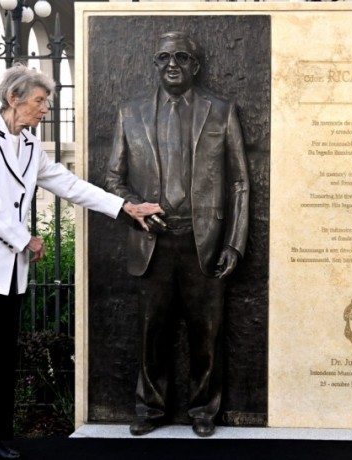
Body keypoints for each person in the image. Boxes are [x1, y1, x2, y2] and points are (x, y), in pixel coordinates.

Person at [0, 64, 162, 460]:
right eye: (40, 100)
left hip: (8, 271)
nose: (45, 108)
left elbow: (68, 183)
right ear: (14, 98)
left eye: (46, 101)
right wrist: (22, 237)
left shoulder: (30, 144)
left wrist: (124, 207)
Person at [105, 31, 250, 438]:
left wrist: (235, 243)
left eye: (182, 57)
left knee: (207, 333)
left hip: (203, 240)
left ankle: (204, 410)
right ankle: (149, 408)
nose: (172, 63)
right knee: (152, 332)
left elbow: (239, 181)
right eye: (164, 56)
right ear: (155, 64)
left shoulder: (221, 112)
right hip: (152, 240)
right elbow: (113, 177)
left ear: (195, 66)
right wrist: (136, 210)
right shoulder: (128, 113)